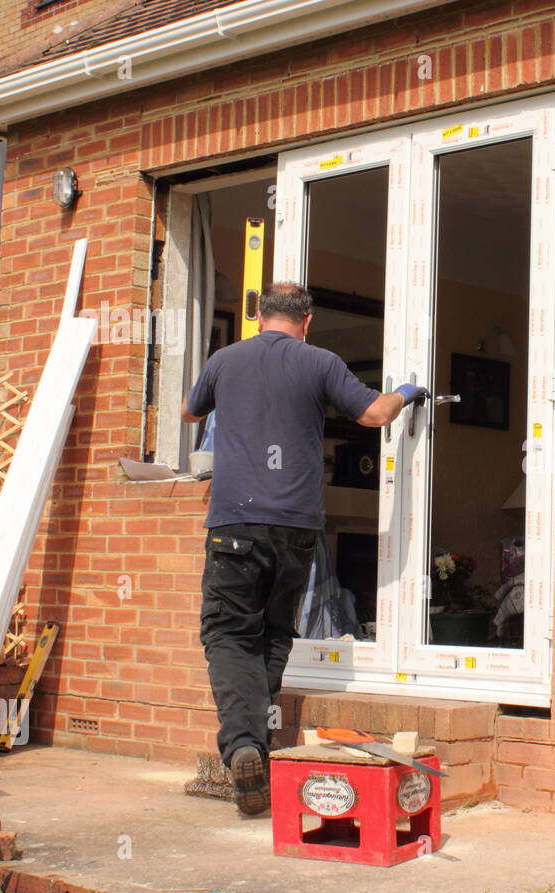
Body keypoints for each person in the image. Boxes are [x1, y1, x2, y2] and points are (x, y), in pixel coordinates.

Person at [182, 282, 427, 815]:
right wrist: (410, 391)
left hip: (235, 525)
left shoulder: (225, 359)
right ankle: (256, 753)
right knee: (273, 634)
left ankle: (244, 745)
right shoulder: (321, 362)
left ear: (259, 317)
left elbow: (189, 413)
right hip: (295, 530)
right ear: (307, 321)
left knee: (227, 632)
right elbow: (375, 415)